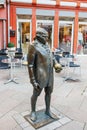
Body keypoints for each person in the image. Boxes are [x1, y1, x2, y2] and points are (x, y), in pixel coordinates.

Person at [27, 27, 62, 121]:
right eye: (46, 37)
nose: (47, 39)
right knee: (35, 94)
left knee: (49, 93)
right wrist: (33, 81)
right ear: (39, 36)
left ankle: (47, 110)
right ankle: (33, 111)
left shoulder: (46, 44)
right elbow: (30, 65)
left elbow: (51, 56)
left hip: (50, 75)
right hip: (40, 76)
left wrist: (56, 64)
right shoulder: (33, 46)